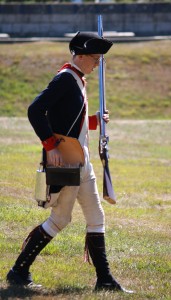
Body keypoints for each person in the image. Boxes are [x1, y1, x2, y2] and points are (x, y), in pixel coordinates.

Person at [6, 32, 133, 294]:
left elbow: (70, 118)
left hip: (81, 158)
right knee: (60, 219)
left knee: (96, 216)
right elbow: (35, 110)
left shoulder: (77, 80)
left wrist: (95, 120)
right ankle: (19, 271)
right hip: (66, 158)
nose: (97, 63)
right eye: (95, 58)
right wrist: (51, 146)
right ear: (80, 55)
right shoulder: (65, 78)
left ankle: (105, 279)